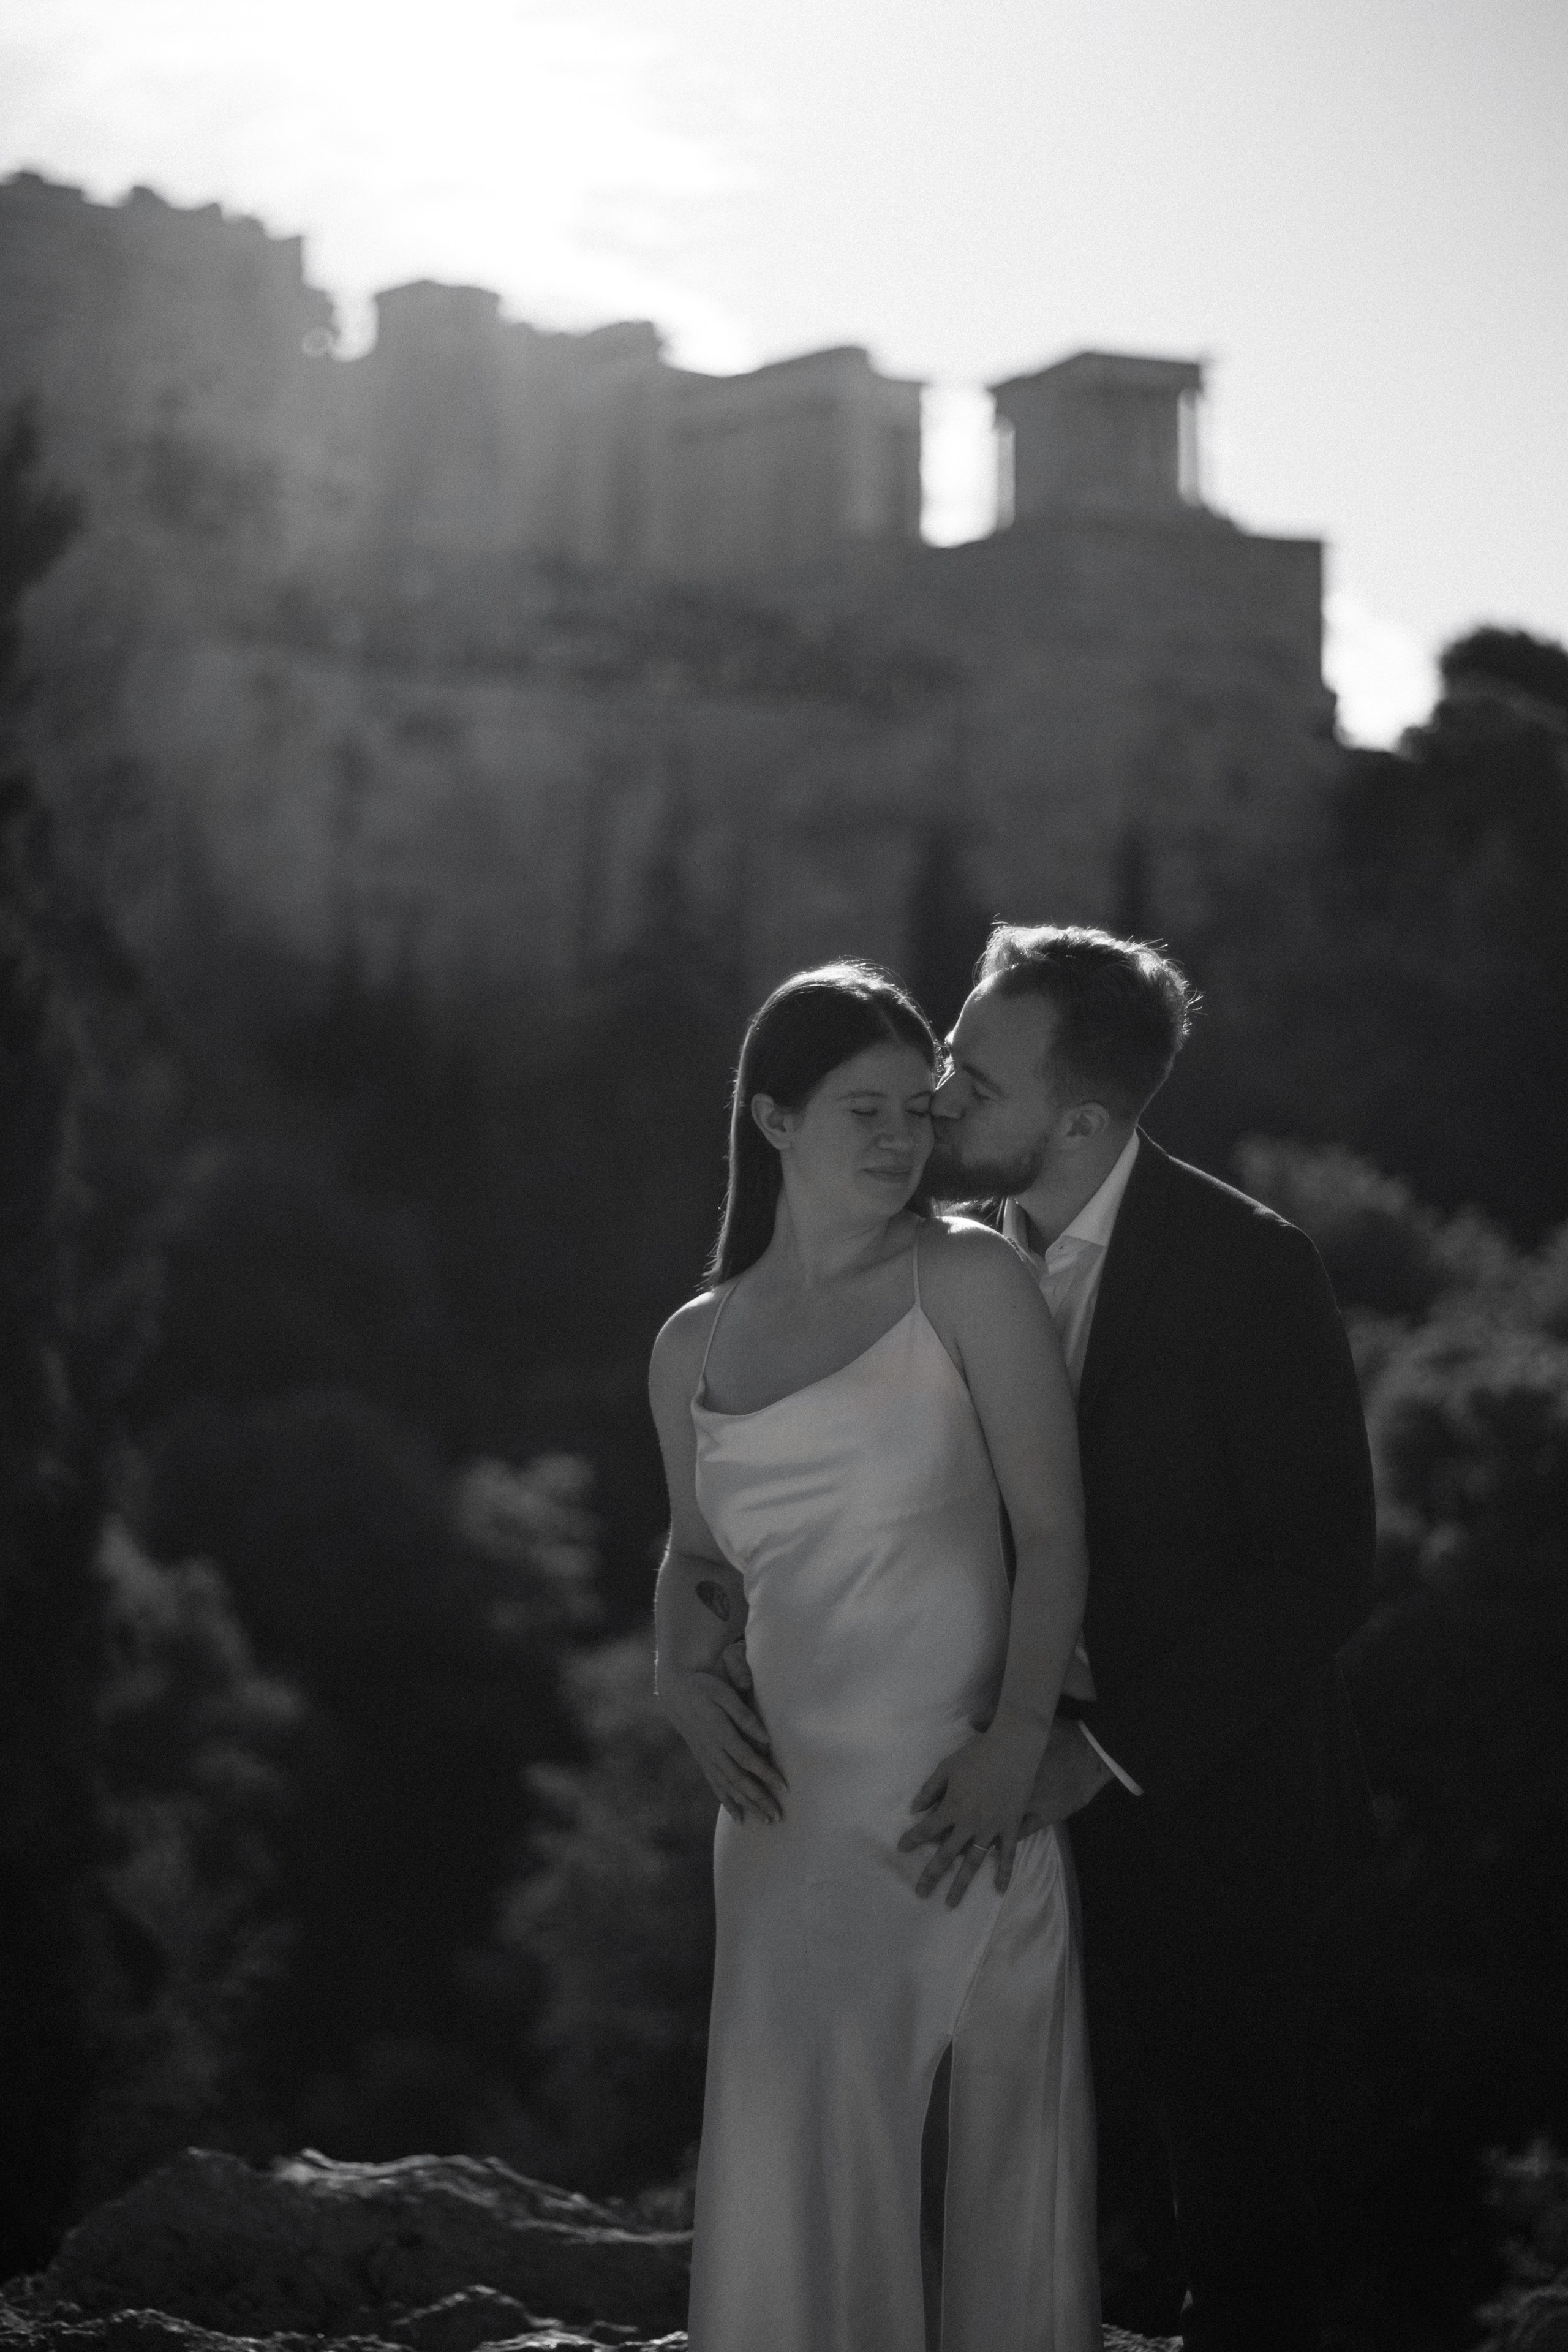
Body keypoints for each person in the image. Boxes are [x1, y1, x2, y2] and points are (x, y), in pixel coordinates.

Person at [903, 920, 1376, 2352]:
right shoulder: (932, 1262)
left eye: (975, 1077)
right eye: (944, 1057)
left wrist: (1094, 1755)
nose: (937, 1094)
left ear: (1084, 1117)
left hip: (1205, 1814)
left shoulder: (1249, 1267)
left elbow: (1318, 1570)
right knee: (978, 2174)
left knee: (1229, 2201)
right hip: (973, 1800)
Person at [649, 960, 1101, 2352]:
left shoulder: (965, 1276)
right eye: (862, 1108)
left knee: (1001, 2169)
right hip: (785, 1826)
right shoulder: (690, 1343)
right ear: (773, 1120)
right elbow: (697, 1548)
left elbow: (1053, 1532)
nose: (903, 1135)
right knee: (799, 2165)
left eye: (919, 1104)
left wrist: (1017, 1741)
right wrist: (674, 1666)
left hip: (965, 1799)